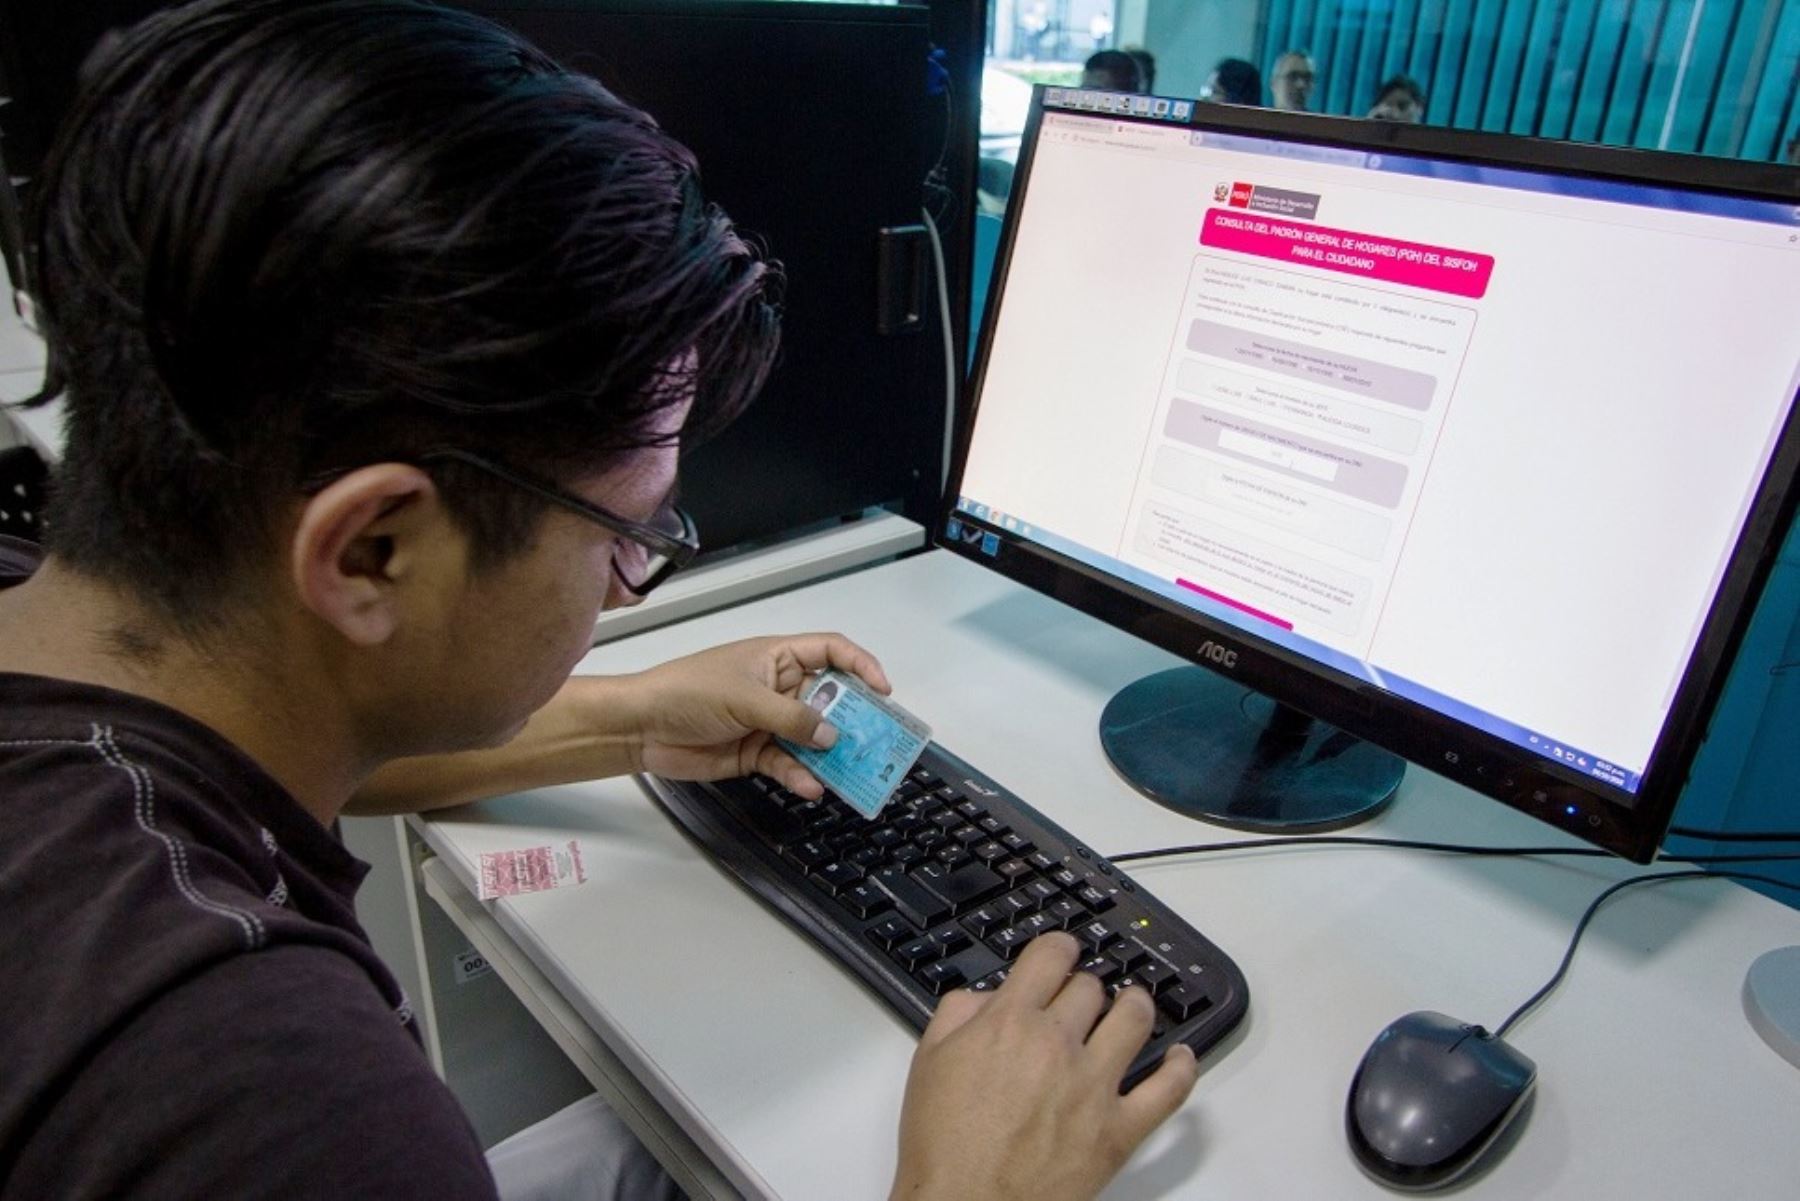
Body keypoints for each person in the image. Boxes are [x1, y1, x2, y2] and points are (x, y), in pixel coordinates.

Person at [0, 2, 1201, 1200]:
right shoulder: (276, 1108)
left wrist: (636, 716)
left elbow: (314, 732)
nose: (628, 589)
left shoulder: (70, 638)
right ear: (371, 552)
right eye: (629, 534)